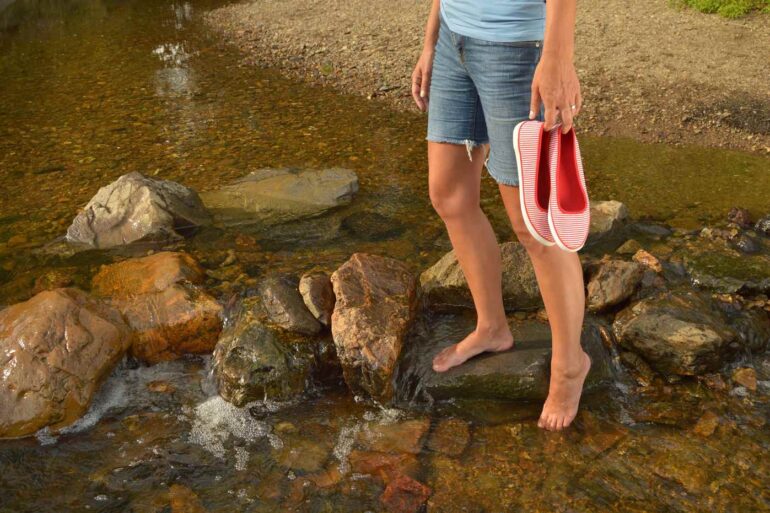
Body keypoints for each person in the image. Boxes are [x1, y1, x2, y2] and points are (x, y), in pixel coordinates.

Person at [411, 0, 590, 432]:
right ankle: (492, 327)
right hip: (456, 37)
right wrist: (431, 40)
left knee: (534, 224)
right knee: (449, 195)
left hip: (515, 46)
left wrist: (557, 57)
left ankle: (570, 365)